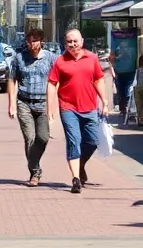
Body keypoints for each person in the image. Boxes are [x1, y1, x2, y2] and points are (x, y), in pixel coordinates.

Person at [47, 28, 111, 194]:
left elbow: (98, 80)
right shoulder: (60, 61)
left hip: (90, 108)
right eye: (69, 41)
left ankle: (81, 163)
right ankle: (75, 179)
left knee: (92, 141)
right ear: (65, 43)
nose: (73, 44)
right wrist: (50, 107)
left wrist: (104, 100)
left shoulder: (92, 58)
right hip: (68, 108)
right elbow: (52, 84)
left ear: (82, 42)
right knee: (73, 140)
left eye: (75, 41)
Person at [7, 28, 58, 185]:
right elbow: (11, 79)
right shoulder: (19, 58)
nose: (31, 44)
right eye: (29, 41)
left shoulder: (51, 58)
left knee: (42, 137)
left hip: (43, 103)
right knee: (29, 138)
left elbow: (58, 81)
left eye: (35, 41)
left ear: (42, 42)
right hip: (24, 102)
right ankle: (35, 172)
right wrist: (11, 104)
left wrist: (54, 104)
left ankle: (32, 163)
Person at [109, 36, 137, 126]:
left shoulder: (131, 49)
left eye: (125, 42)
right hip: (119, 72)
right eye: (122, 42)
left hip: (130, 71)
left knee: (127, 90)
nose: (123, 44)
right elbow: (112, 58)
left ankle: (126, 108)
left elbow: (134, 57)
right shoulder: (117, 49)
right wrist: (113, 70)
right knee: (120, 90)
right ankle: (123, 109)